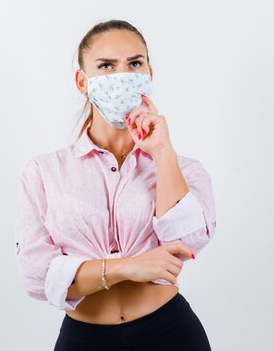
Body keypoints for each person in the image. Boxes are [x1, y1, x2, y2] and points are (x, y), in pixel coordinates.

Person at [14, 19, 217, 350]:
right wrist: (129, 267)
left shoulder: (184, 169)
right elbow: (37, 276)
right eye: (106, 66)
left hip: (172, 333)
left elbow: (186, 242)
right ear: (83, 81)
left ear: (149, 75)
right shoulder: (43, 173)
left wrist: (163, 153)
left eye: (134, 63)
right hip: (84, 340)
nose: (122, 75)